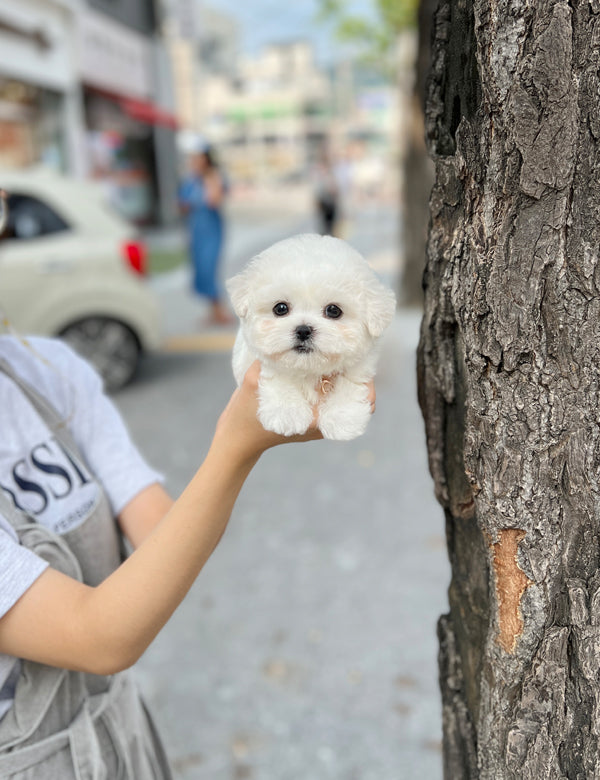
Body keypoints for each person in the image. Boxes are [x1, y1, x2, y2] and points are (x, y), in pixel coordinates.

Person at [0, 191, 377, 775]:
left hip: (118, 741)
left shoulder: (46, 369)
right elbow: (97, 640)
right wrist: (235, 444)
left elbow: (155, 524)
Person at [178, 144, 232, 326]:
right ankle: (213, 312)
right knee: (201, 269)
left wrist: (209, 180)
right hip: (196, 229)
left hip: (211, 229)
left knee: (210, 268)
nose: (194, 162)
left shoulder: (213, 177)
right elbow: (181, 205)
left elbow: (213, 201)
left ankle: (221, 311)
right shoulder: (191, 180)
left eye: (198, 158)